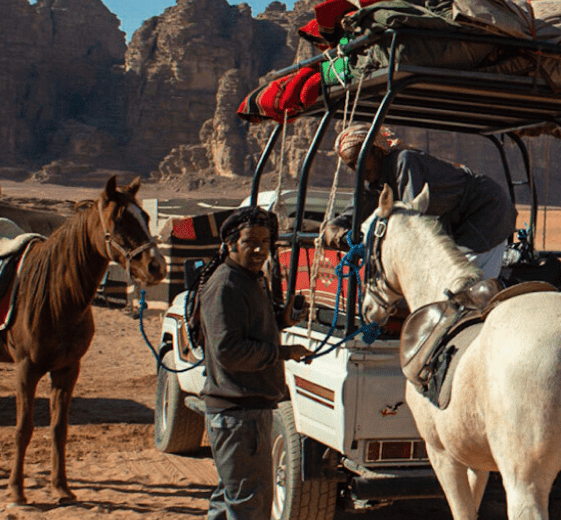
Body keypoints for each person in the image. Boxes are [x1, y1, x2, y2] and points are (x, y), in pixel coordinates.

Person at [190, 206, 314, 520]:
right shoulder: (226, 286)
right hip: (239, 416)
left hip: (242, 414)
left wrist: (283, 319)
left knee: (231, 502)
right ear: (231, 244)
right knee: (249, 507)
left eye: (265, 241)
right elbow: (229, 351)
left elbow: (249, 329)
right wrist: (285, 353)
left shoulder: (247, 279)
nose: (260, 249)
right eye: (250, 242)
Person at [320, 123, 517, 280]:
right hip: (456, 222)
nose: (357, 169)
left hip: (486, 210)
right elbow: (346, 218)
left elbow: (411, 221)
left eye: (359, 160)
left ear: (377, 151)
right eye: (351, 165)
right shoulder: (373, 183)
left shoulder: (405, 162)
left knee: (457, 284)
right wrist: (340, 234)